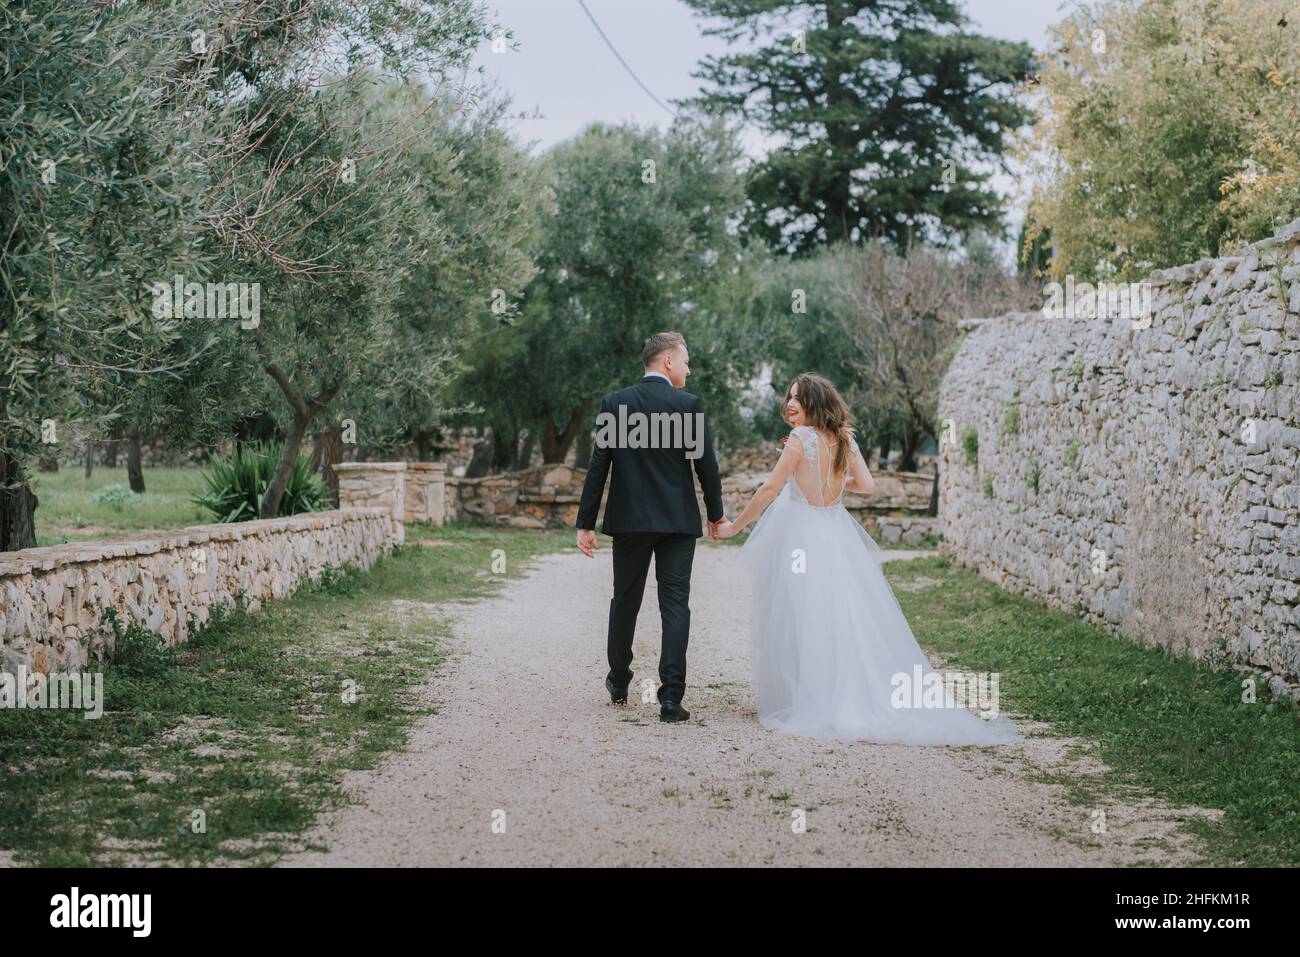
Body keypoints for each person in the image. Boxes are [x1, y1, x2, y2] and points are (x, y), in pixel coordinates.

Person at [713, 373, 1022, 746]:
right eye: (789, 397)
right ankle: (841, 691)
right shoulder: (845, 438)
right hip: (835, 530)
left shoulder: (799, 439)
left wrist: (735, 527)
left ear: (815, 403)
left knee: (802, 613)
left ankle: (808, 698)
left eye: (799, 398)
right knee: (842, 613)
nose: (791, 404)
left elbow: (769, 488)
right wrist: (836, 484)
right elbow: (868, 485)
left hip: (801, 534)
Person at [575, 331, 726, 723]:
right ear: (668, 362)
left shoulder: (616, 404)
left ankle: (620, 679)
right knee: (675, 604)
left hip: (629, 521)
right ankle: (671, 698)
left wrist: (585, 523)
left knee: (625, 600)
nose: (689, 369)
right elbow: (706, 467)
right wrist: (715, 513)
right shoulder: (688, 406)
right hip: (677, 523)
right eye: (686, 361)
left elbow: (599, 467)